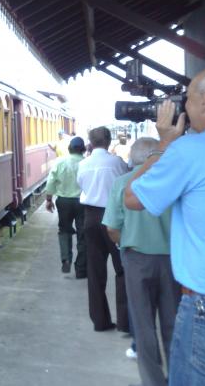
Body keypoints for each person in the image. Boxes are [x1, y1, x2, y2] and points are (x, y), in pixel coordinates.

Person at [125, 65, 205, 386]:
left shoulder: (189, 150)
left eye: (187, 99)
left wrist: (164, 143)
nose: (184, 108)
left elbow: (132, 197)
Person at [103, 137, 179, 386]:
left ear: (134, 157)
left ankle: (153, 381)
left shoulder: (123, 183)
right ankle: (177, 377)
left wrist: (124, 241)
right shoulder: (172, 182)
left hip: (136, 258)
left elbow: (112, 227)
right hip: (172, 261)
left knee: (143, 324)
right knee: (172, 322)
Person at [77, 126, 129, 332]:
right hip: (114, 217)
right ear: (108, 141)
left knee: (95, 270)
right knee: (122, 268)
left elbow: (81, 185)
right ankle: (125, 322)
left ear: (90, 142)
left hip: (90, 217)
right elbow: (126, 183)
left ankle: (100, 320)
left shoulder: (83, 164)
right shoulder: (117, 163)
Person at [44, 136, 87, 278]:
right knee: (83, 234)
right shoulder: (87, 163)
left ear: (69, 148)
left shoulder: (60, 162)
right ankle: (81, 269)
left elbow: (51, 182)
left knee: (64, 230)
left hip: (64, 202)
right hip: (82, 202)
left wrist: (49, 199)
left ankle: (66, 259)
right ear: (83, 149)